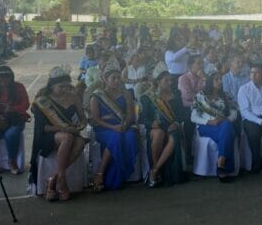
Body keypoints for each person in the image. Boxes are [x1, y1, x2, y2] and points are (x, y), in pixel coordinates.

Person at [30, 67, 87, 201]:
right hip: (49, 136)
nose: (65, 89)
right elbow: (42, 128)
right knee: (67, 138)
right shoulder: (42, 100)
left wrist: (82, 125)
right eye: (61, 87)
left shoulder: (73, 97)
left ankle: (54, 179)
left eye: (67, 86)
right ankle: (62, 181)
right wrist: (63, 128)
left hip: (71, 132)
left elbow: (83, 117)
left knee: (80, 142)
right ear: (52, 86)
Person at [89, 63, 139, 191]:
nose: (117, 81)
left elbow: (131, 115)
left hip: (123, 126)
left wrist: (124, 125)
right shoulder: (96, 96)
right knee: (116, 138)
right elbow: (96, 119)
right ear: (105, 79)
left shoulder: (126, 93)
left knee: (131, 138)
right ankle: (101, 173)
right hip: (104, 129)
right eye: (113, 78)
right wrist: (113, 127)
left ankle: (119, 174)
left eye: (118, 78)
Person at [140, 70, 186, 187]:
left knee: (174, 135)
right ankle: (157, 170)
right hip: (156, 127)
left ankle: (155, 171)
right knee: (159, 134)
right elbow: (143, 118)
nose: (170, 82)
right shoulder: (148, 96)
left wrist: (176, 123)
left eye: (171, 80)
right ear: (158, 81)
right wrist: (151, 124)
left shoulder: (176, 94)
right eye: (166, 80)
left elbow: (182, 114)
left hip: (171, 125)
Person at [191, 74, 239, 182]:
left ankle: (221, 162)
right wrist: (208, 121)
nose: (220, 82)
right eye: (216, 79)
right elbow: (193, 117)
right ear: (209, 82)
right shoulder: (200, 96)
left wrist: (223, 119)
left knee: (226, 126)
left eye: (220, 79)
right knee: (228, 132)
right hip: (206, 126)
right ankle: (224, 168)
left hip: (222, 124)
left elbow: (234, 114)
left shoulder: (226, 96)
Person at [178, 55, 206, 158]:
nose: (201, 65)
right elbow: (187, 96)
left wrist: (204, 79)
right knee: (189, 124)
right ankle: (189, 153)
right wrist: (201, 91)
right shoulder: (183, 78)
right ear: (190, 65)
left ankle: (204, 153)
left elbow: (209, 93)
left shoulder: (204, 77)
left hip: (203, 107)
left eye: (202, 63)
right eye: (198, 63)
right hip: (188, 108)